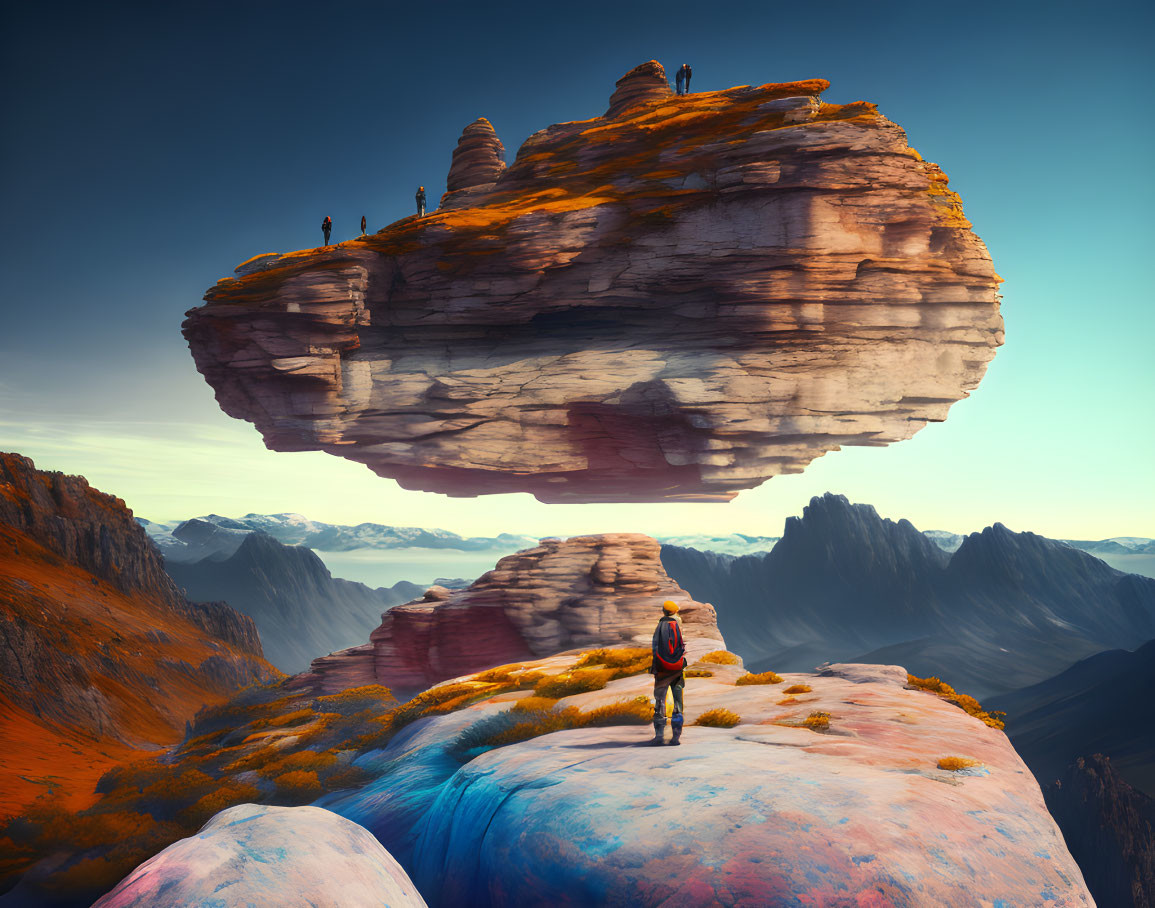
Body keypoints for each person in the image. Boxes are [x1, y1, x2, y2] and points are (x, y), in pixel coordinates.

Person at [649, 600, 687, 746]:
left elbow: (655, 649)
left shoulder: (659, 626)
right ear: (675, 612)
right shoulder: (677, 625)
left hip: (662, 671)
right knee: (678, 703)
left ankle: (659, 736)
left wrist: (655, 668)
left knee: (660, 702)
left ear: (664, 611)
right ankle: (676, 737)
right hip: (676, 671)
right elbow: (681, 648)